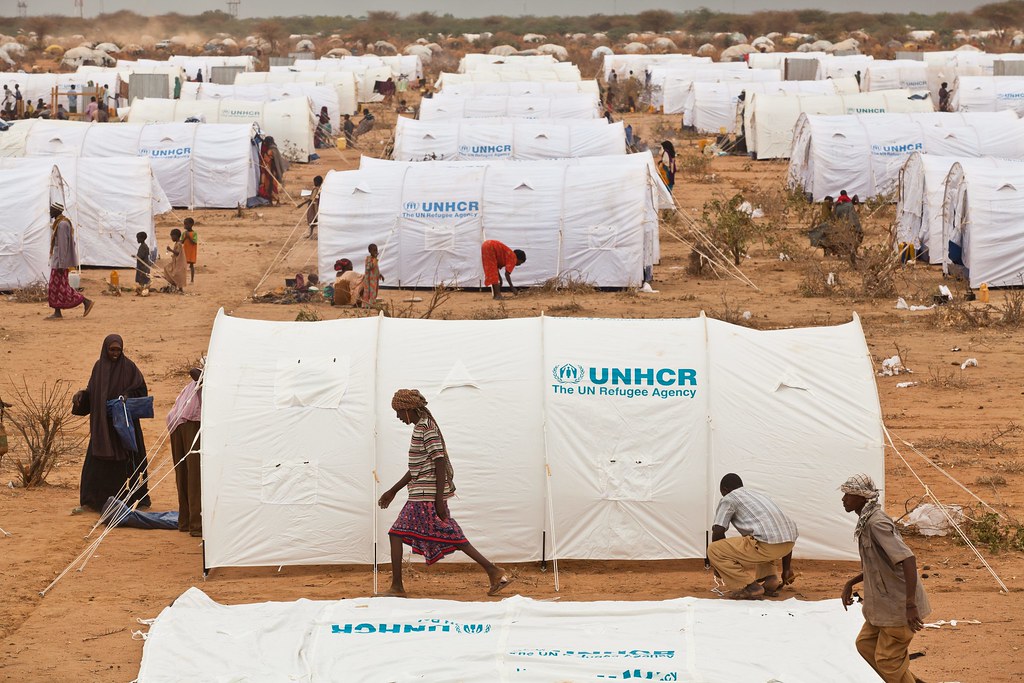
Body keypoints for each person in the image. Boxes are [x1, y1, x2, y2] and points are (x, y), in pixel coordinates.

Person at [378, 389, 513, 597]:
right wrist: (393, 491)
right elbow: (417, 467)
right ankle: (493, 571)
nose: (397, 417)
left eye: (398, 412)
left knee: (397, 534)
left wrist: (439, 499)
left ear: (408, 409)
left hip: (425, 497)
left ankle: (397, 587)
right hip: (421, 494)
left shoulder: (426, 428)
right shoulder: (421, 427)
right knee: (450, 534)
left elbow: (439, 462)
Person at [840, 474, 931, 683]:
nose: (844, 499)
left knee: (887, 660)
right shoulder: (866, 521)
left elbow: (907, 559)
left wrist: (910, 604)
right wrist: (850, 583)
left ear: (862, 498)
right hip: (881, 605)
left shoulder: (876, 523)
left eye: (848, 494)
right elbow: (878, 565)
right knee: (865, 644)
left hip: (897, 605)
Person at [73, 334, 152, 511]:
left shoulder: (129, 367)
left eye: (118, 350)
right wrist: (81, 395)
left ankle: (131, 501)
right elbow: (93, 391)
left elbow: (141, 390)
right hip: (103, 426)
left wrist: (126, 397)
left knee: (128, 463)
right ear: (105, 349)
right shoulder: (99, 367)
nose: (115, 353)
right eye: (112, 349)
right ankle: (94, 502)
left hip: (124, 426)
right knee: (98, 464)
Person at [707, 473, 798, 600]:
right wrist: (786, 569)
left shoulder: (729, 498)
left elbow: (718, 530)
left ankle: (751, 588)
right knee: (757, 538)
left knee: (714, 549)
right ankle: (770, 578)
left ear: (724, 490)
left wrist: (718, 564)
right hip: (788, 545)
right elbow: (782, 534)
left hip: (766, 545)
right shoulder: (759, 495)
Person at [168, 368, 203, 536]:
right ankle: (196, 524)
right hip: (191, 422)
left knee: (186, 474)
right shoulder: (210, 374)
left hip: (177, 421)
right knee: (195, 475)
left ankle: (186, 521)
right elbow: (195, 372)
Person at [46, 202, 95, 320]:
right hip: (58, 262)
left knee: (60, 287)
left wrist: (62, 263)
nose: (50, 211)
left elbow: (63, 245)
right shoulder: (61, 222)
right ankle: (57, 311)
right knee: (57, 287)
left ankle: (85, 301)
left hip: (59, 263)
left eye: (52, 210)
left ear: (58, 211)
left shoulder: (62, 224)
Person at [257, 136, 287, 205]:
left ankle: (276, 200)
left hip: (271, 171)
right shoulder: (274, 148)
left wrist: (264, 158)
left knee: (272, 186)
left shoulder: (271, 150)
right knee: (270, 186)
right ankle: (271, 201)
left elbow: (267, 160)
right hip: (271, 170)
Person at [361, 242, 383, 307]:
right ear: (369, 251)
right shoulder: (368, 258)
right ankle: (366, 305)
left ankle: (371, 304)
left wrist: (380, 275)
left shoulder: (375, 259)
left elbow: (376, 269)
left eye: (376, 250)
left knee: (374, 292)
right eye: (374, 250)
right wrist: (374, 260)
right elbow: (369, 267)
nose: (375, 252)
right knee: (367, 292)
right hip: (368, 280)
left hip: (374, 279)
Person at [182, 218, 199, 283]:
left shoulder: (194, 233)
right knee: (183, 265)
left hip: (191, 251)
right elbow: (182, 242)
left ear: (191, 224)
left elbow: (194, 242)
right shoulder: (184, 233)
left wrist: (189, 237)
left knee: (191, 265)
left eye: (186, 224)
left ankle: (192, 280)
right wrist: (185, 237)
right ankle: (183, 279)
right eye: (184, 224)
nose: (185, 226)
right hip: (185, 251)